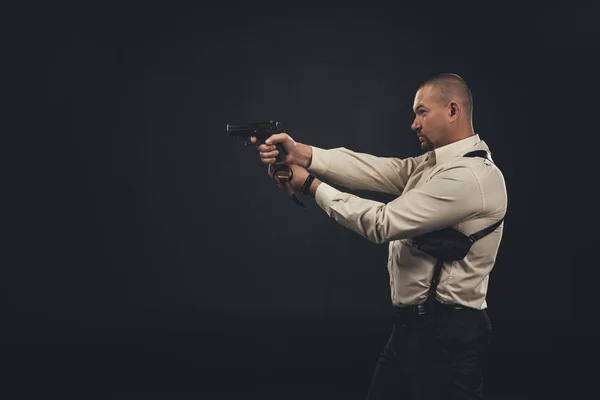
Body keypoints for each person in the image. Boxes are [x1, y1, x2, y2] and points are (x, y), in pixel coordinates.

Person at [250, 73, 507, 399]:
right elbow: (375, 169)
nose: (414, 123)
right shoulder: (433, 166)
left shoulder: (470, 176)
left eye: (422, 112)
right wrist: (302, 154)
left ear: (453, 110)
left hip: (447, 336)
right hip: (412, 330)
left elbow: (382, 223)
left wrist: (310, 186)